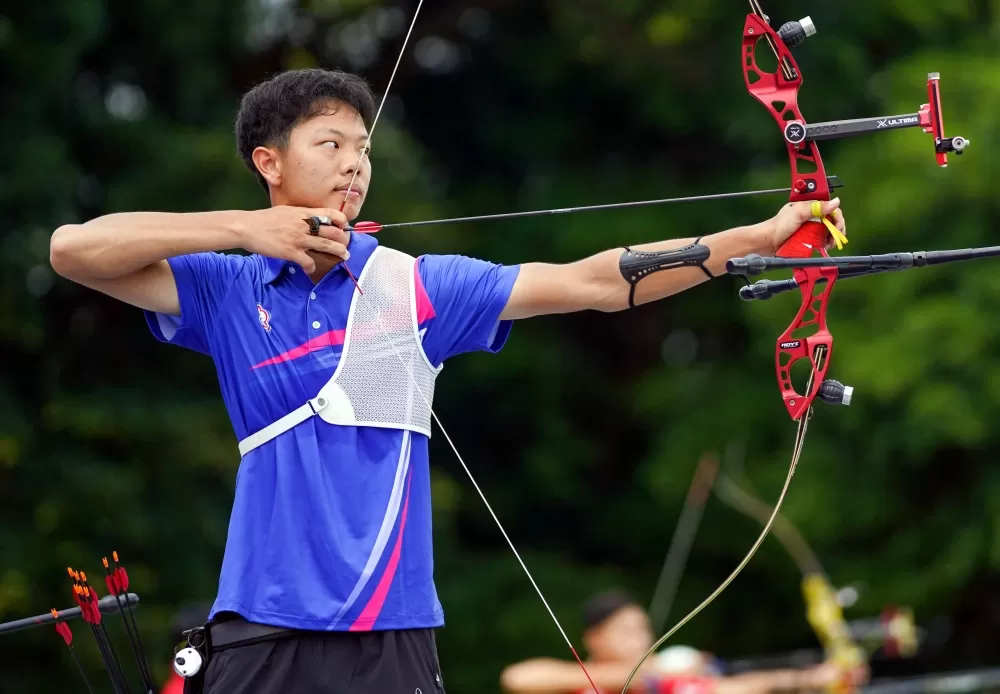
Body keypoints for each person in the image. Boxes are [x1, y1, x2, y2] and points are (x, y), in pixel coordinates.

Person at [48, 68, 848, 694]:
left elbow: (596, 282)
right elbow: (72, 249)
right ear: (269, 161)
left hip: (390, 634)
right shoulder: (225, 289)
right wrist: (241, 229)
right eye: (330, 145)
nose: (355, 165)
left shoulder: (418, 286)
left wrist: (762, 235)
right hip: (262, 625)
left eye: (363, 147)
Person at [500, 590, 868, 693]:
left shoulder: (666, 682)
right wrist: (641, 672)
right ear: (594, 638)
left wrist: (812, 679)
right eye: (626, 630)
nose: (641, 638)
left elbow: (730, 689)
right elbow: (518, 678)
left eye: (643, 629)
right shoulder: (579, 683)